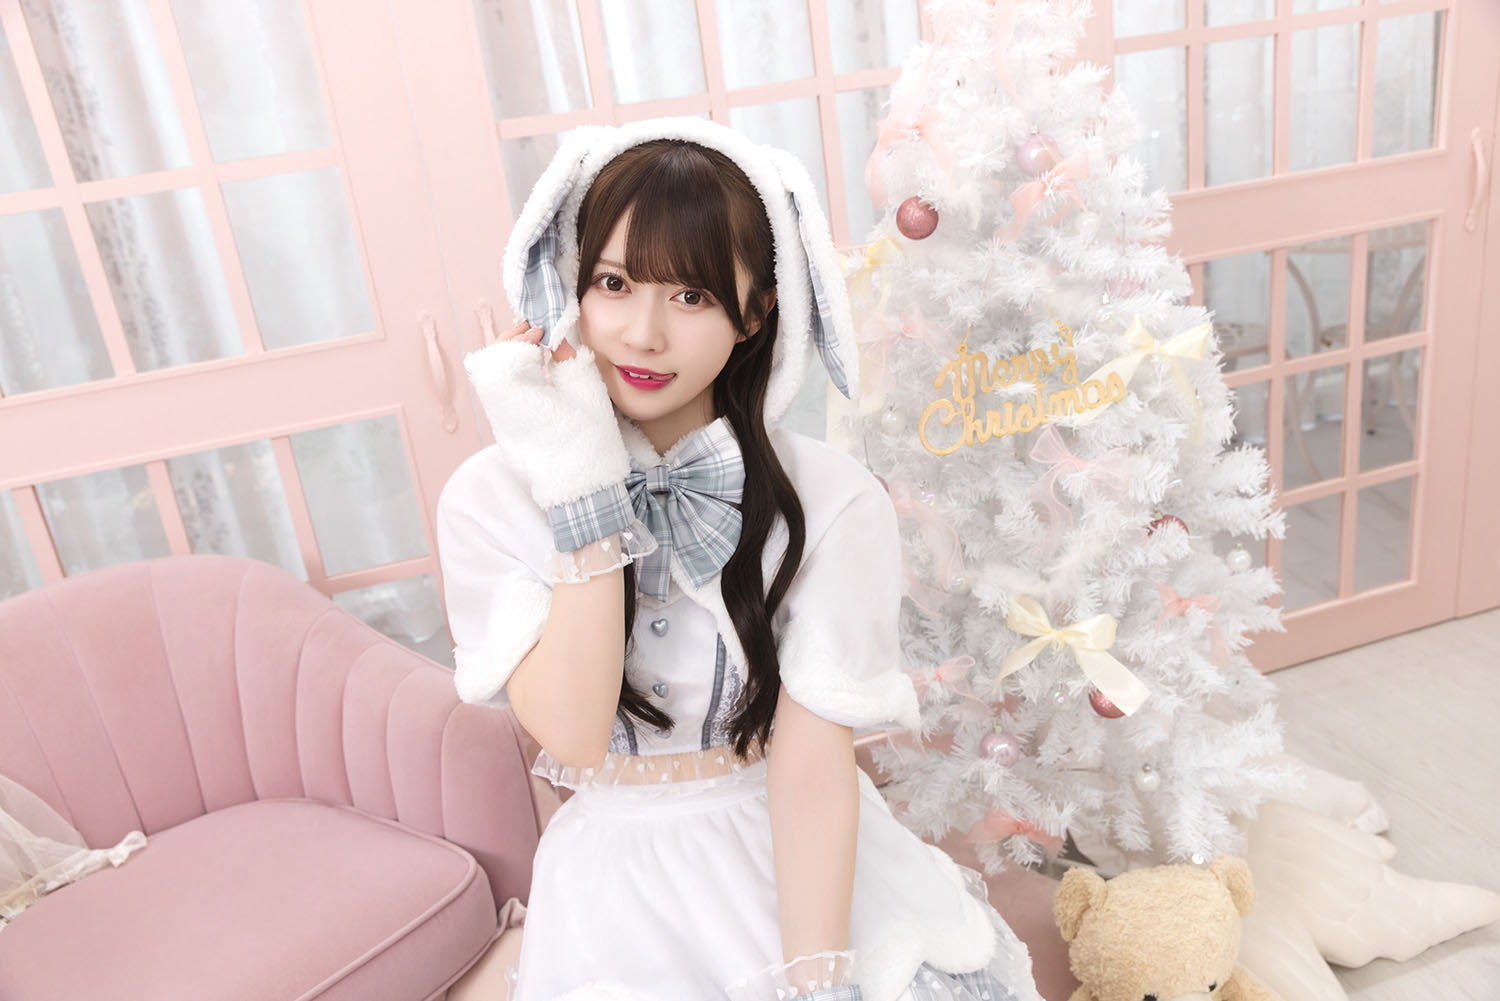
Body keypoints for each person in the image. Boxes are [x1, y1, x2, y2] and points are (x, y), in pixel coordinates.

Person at [435, 116, 1042, 1001]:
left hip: (794, 851)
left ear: (755, 312)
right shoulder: (488, 500)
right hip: (615, 890)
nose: (642, 334)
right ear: (572, 286)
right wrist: (584, 495)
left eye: (690, 295)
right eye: (614, 284)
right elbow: (572, 731)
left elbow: (810, 766)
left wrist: (814, 977)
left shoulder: (830, 498)